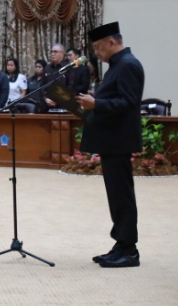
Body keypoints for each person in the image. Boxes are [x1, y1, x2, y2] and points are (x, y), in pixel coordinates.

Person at [76, 22, 144, 268]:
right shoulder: (118, 65)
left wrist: (97, 104)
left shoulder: (128, 65)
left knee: (122, 196)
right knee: (116, 196)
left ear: (112, 42)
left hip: (119, 140)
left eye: (98, 47)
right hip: (111, 140)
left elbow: (129, 102)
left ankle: (129, 250)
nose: (97, 52)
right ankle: (121, 244)